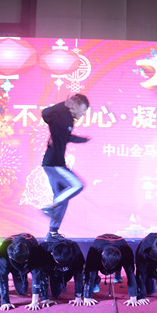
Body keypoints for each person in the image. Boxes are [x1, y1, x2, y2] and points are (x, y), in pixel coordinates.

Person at [41, 94, 91, 238]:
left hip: (54, 163)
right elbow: (45, 114)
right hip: (54, 164)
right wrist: (63, 104)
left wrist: (81, 140)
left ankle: (53, 232)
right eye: (83, 110)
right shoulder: (61, 114)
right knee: (77, 185)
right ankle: (50, 207)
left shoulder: (69, 120)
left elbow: (65, 136)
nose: (83, 114)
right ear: (75, 106)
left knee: (63, 196)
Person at [82, 233, 147, 306]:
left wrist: (133, 297)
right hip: (99, 247)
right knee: (91, 271)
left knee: (127, 268)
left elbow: (130, 274)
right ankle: (96, 279)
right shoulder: (94, 251)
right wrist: (87, 297)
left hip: (120, 252)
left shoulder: (126, 252)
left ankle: (118, 275)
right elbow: (90, 274)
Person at [0, 233, 55, 311]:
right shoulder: (2, 254)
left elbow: (37, 274)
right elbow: (1, 276)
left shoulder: (34, 249)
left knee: (40, 269)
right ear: (10, 257)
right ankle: (19, 275)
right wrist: (5, 302)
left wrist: (37, 300)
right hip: (14, 266)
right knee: (21, 292)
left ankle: (24, 271)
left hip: (30, 260)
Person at [40, 234, 88, 306]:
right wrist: (44, 298)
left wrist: (78, 296)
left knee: (80, 270)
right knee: (55, 294)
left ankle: (95, 279)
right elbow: (39, 273)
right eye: (58, 262)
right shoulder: (44, 249)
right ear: (52, 253)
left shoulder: (75, 248)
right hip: (54, 272)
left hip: (69, 270)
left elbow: (78, 273)